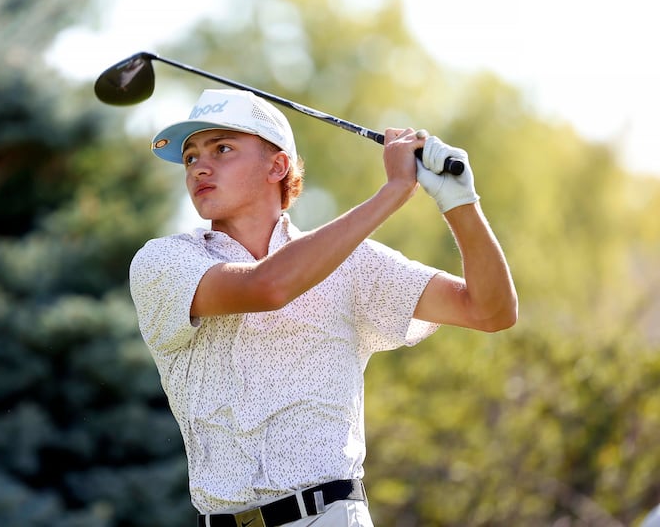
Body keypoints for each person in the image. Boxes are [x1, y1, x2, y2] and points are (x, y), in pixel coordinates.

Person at [129, 88, 517, 527]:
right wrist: (393, 191)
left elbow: (490, 311)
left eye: (222, 148)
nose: (200, 165)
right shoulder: (163, 261)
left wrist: (459, 202)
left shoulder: (352, 262)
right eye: (190, 157)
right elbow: (269, 287)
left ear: (277, 166)